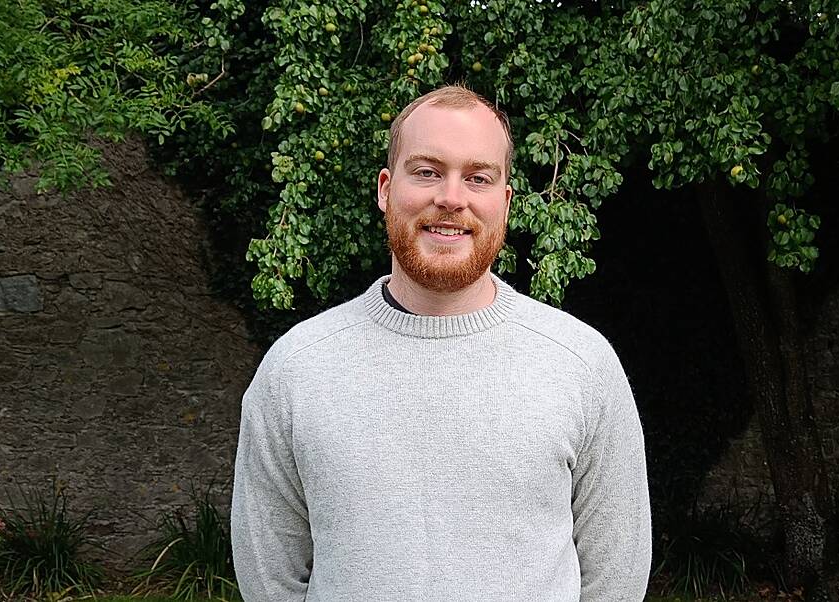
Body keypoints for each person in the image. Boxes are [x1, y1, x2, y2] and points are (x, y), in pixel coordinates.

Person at [231, 85, 651, 601]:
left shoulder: (581, 365)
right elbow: (269, 579)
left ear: (505, 201)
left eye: (478, 177)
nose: (452, 198)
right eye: (427, 171)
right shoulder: (295, 370)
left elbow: (617, 579)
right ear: (386, 189)